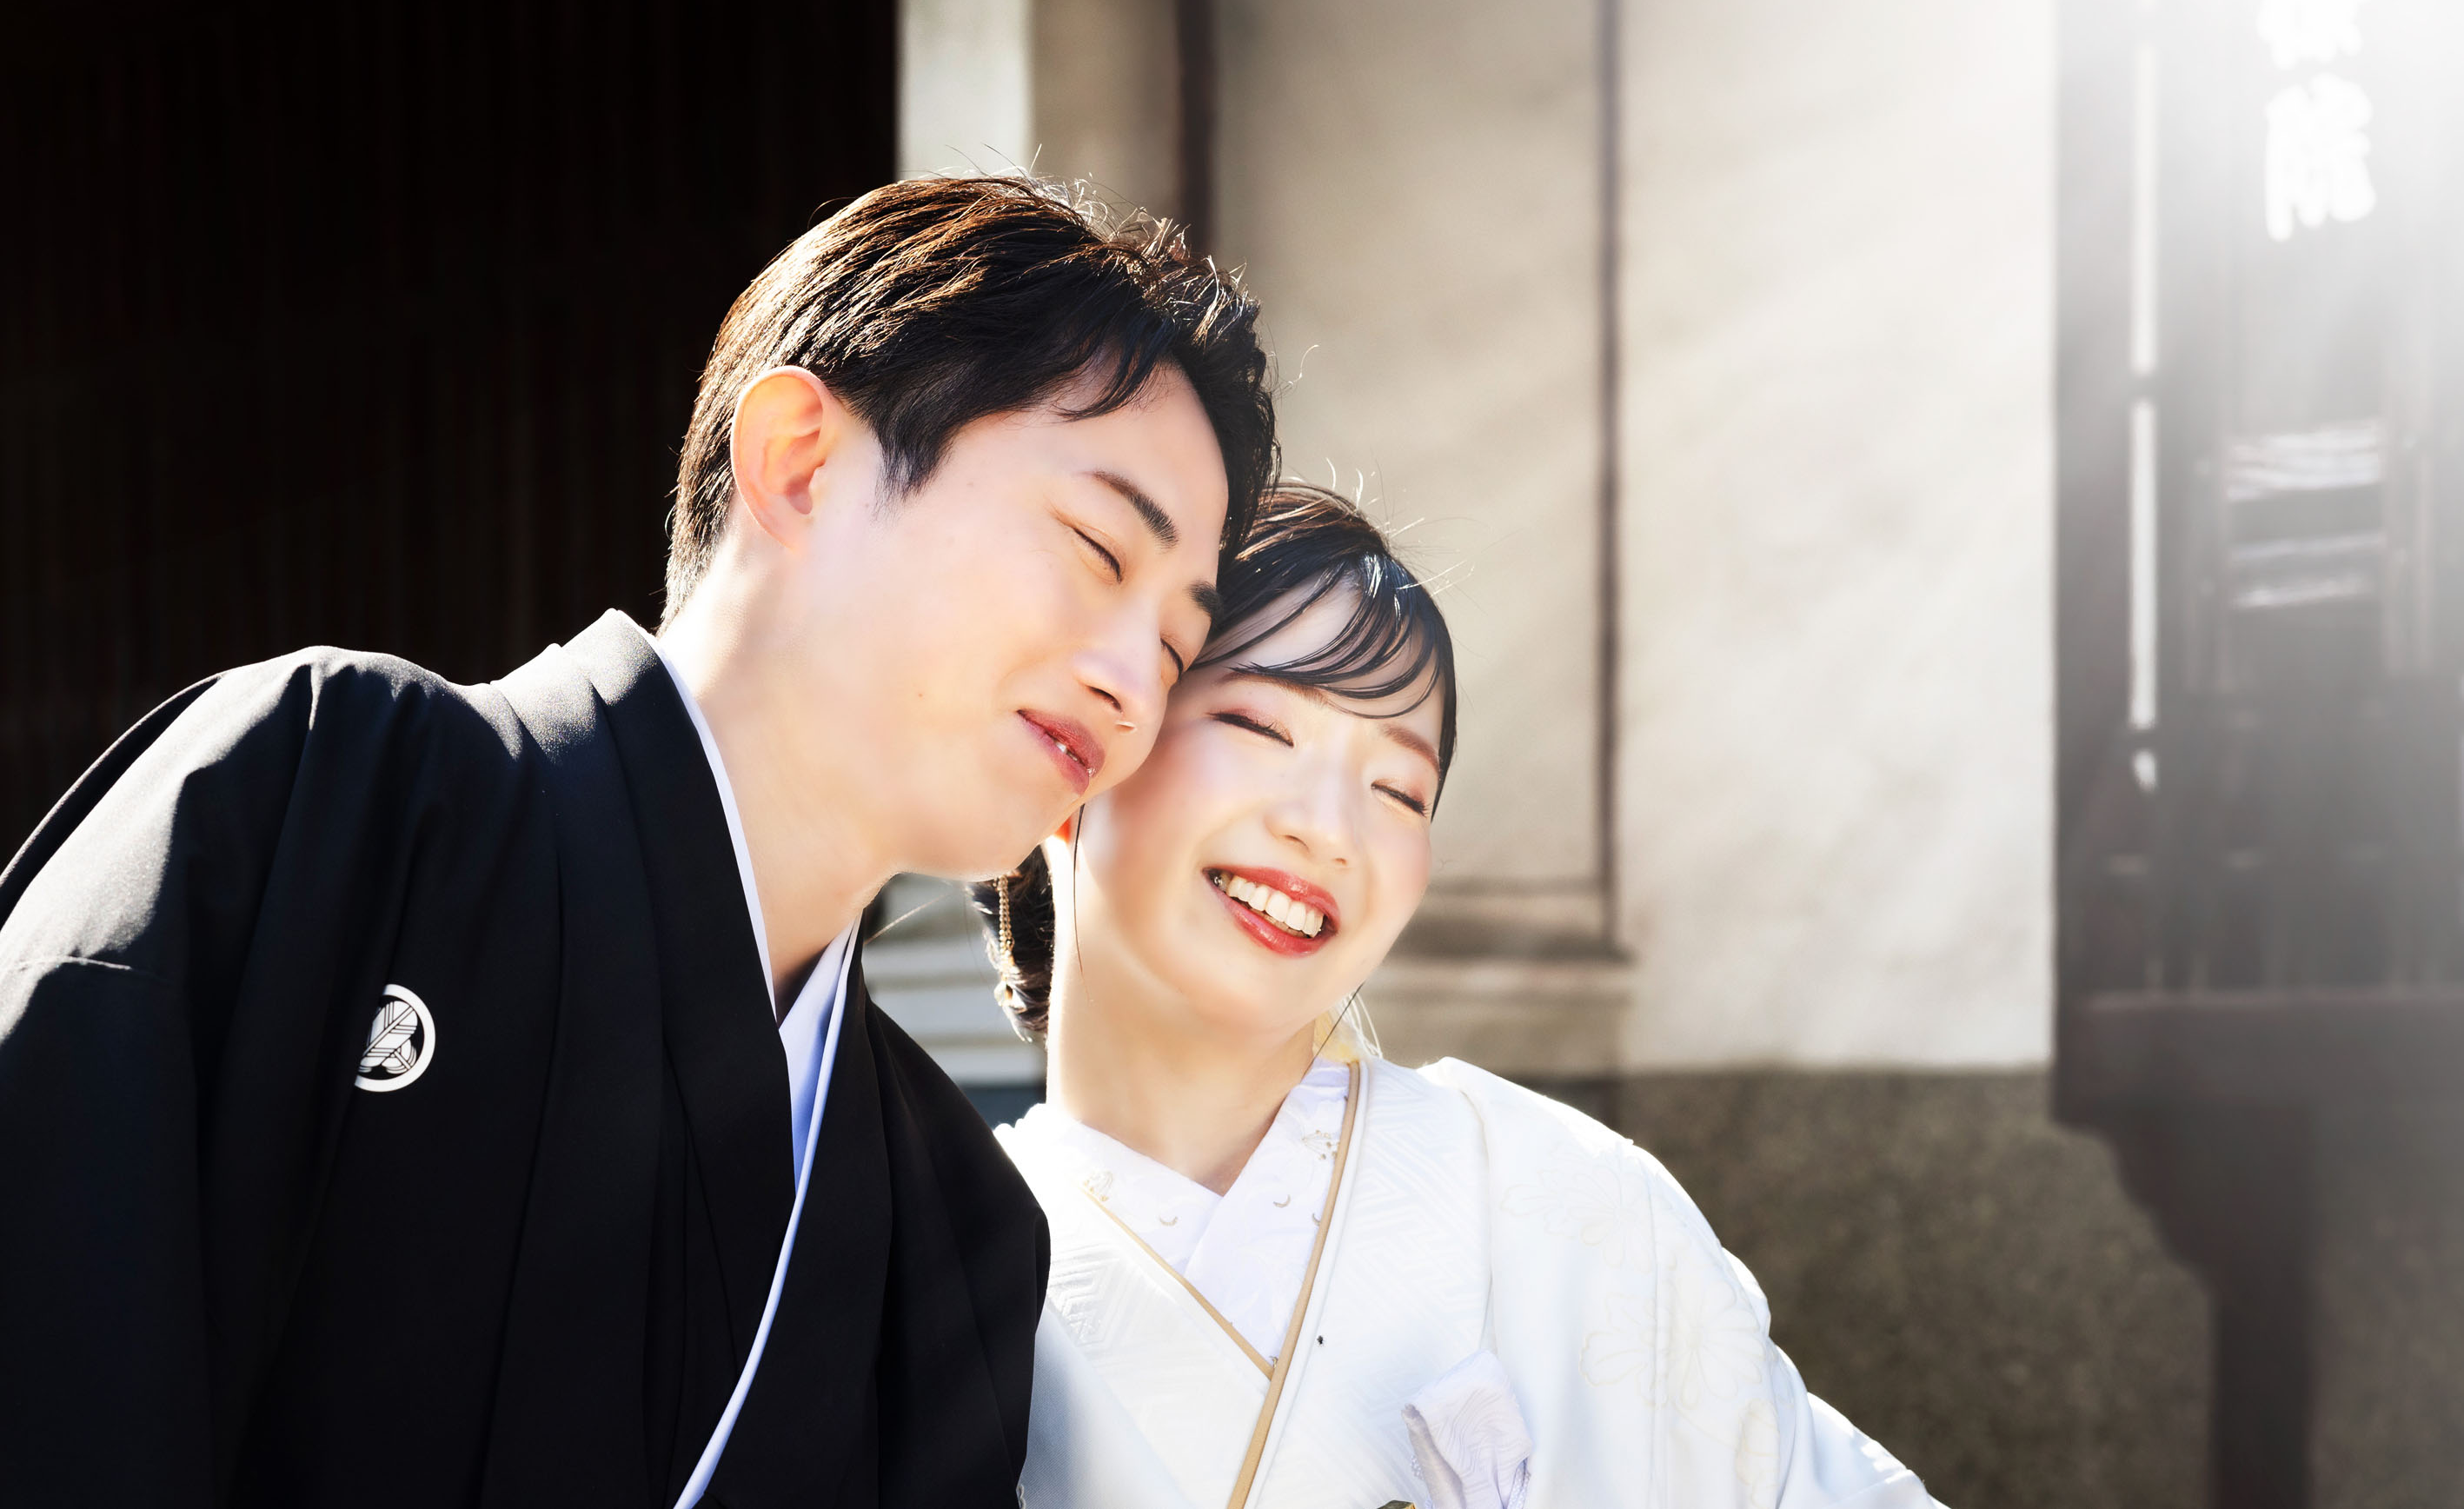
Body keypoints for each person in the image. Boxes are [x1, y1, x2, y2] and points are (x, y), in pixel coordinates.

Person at [0, 176, 1278, 1509]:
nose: (1130, 684)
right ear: (801, 462)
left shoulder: (956, 1227)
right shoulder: (326, 798)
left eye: (1174, 643)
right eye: (1092, 548)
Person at [974, 486, 1941, 1509]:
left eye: (1398, 790)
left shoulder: (1572, 1201)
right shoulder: (941, 1260)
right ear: (1086, 751)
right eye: (1260, 725)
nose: (1330, 828)